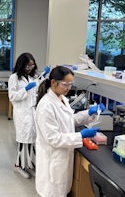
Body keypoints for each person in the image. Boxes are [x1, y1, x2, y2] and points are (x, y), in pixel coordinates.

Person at [35, 66, 105, 197]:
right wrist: (80, 135)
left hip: (61, 158)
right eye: (65, 84)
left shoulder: (61, 98)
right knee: (53, 193)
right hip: (52, 160)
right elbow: (53, 138)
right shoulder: (46, 106)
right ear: (54, 82)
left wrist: (89, 113)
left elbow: (68, 120)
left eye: (71, 84)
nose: (68, 88)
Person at [8, 52, 50, 179]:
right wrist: (25, 89)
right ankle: (18, 166)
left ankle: (30, 165)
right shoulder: (14, 78)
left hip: (32, 113)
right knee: (23, 141)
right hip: (22, 113)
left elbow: (38, 84)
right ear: (22, 65)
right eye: (27, 66)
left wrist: (45, 74)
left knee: (32, 140)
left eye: (32, 66)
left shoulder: (33, 77)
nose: (30, 68)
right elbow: (12, 96)